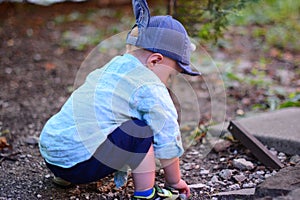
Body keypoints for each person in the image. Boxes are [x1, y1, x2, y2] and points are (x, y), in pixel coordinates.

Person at [39, 0, 200, 199]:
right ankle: (146, 194)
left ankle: (64, 177)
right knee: (140, 130)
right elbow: (167, 137)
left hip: (53, 154)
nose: (168, 80)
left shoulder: (112, 68)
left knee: (99, 121)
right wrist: (174, 180)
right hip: (80, 165)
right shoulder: (149, 86)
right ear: (155, 61)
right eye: (170, 74)